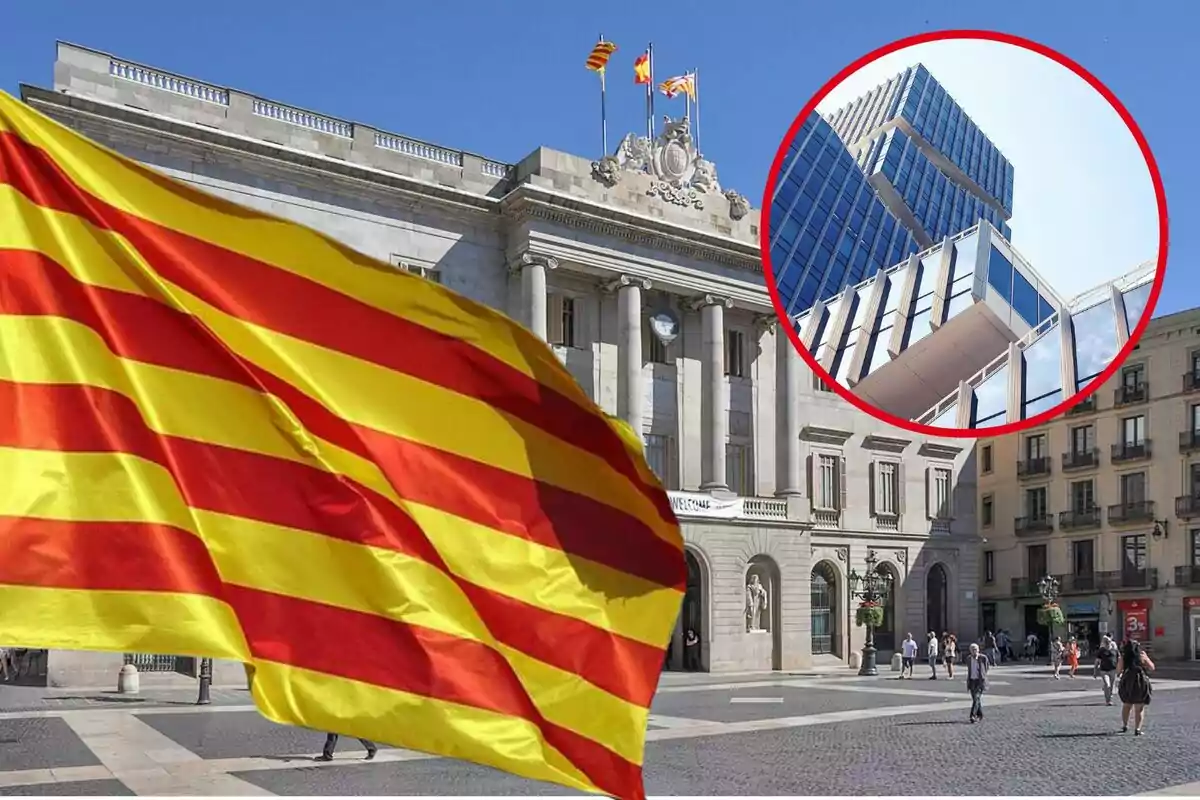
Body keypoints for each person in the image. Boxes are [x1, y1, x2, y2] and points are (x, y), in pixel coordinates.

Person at [1117, 639, 1155, 735]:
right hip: (1140, 682)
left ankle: (1125, 725)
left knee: (1127, 705)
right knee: (1139, 707)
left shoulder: (1124, 656)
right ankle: (1137, 729)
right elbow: (1152, 667)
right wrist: (1146, 659)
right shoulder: (1142, 655)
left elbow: (1118, 670)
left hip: (1128, 681)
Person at [964, 642, 990, 722]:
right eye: (972, 650)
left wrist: (983, 675)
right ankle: (980, 714)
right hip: (972, 681)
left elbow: (986, 666)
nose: (974, 651)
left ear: (978, 650)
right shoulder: (968, 658)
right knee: (976, 699)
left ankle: (972, 715)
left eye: (975, 649)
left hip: (979, 681)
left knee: (976, 698)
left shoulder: (983, 658)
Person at [1094, 634, 1119, 706]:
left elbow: (1119, 660)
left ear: (1111, 642)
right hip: (1104, 670)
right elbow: (1097, 661)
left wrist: (1120, 670)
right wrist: (1095, 671)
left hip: (1113, 670)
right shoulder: (1101, 651)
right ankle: (1107, 700)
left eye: (1109, 641)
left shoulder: (1115, 650)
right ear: (1104, 643)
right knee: (1107, 684)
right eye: (1106, 642)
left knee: (1111, 686)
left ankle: (1110, 698)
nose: (1108, 643)